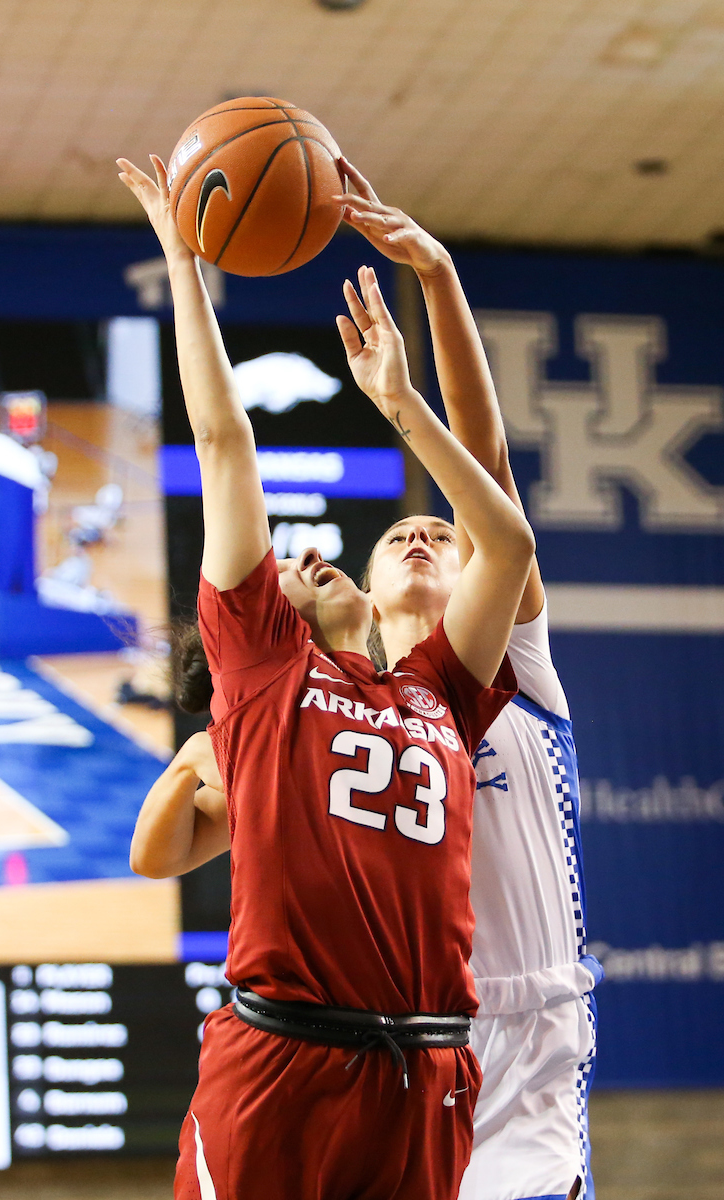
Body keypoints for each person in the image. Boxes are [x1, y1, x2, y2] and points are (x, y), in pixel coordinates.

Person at [118, 151, 534, 1200]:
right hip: (282, 1057)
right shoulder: (259, 677)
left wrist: (399, 399)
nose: (311, 564)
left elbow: (511, 548)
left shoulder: (437, 686)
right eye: (290, 572)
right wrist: (182, 259)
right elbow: (223, 442)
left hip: (429, 1065)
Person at [336, 161, 601, 1200]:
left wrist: (435, 276)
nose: (418, 530)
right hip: (406, 1050)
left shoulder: (511, 660)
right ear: (361, 593)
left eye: (439, 532)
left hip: (531, 1045)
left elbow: (482, 467)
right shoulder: (342, 709)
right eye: (398, 531)